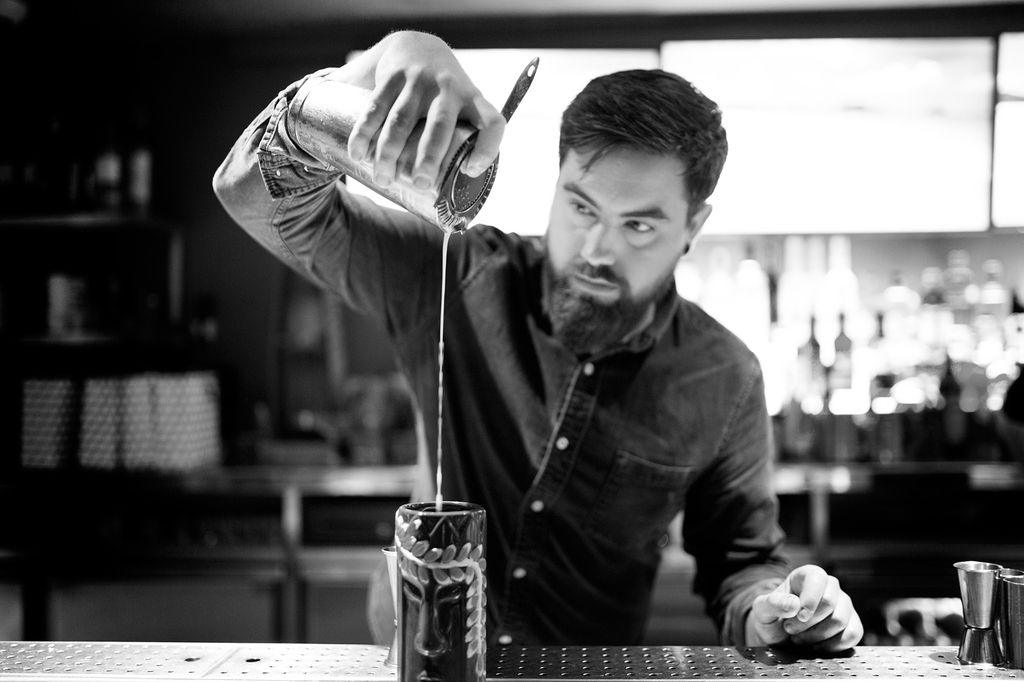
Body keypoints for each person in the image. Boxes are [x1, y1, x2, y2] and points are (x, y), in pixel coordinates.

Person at [213, 30, 864, 651]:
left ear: (694, 225)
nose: (597, 250)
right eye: (581, 207)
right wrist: (362, 75)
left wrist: (782, 609)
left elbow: (741, 567)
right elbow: (251, 194)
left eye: (639, 225)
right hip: (418, 661)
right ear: (556, 185)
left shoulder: (724, 376)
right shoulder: (455, 274)